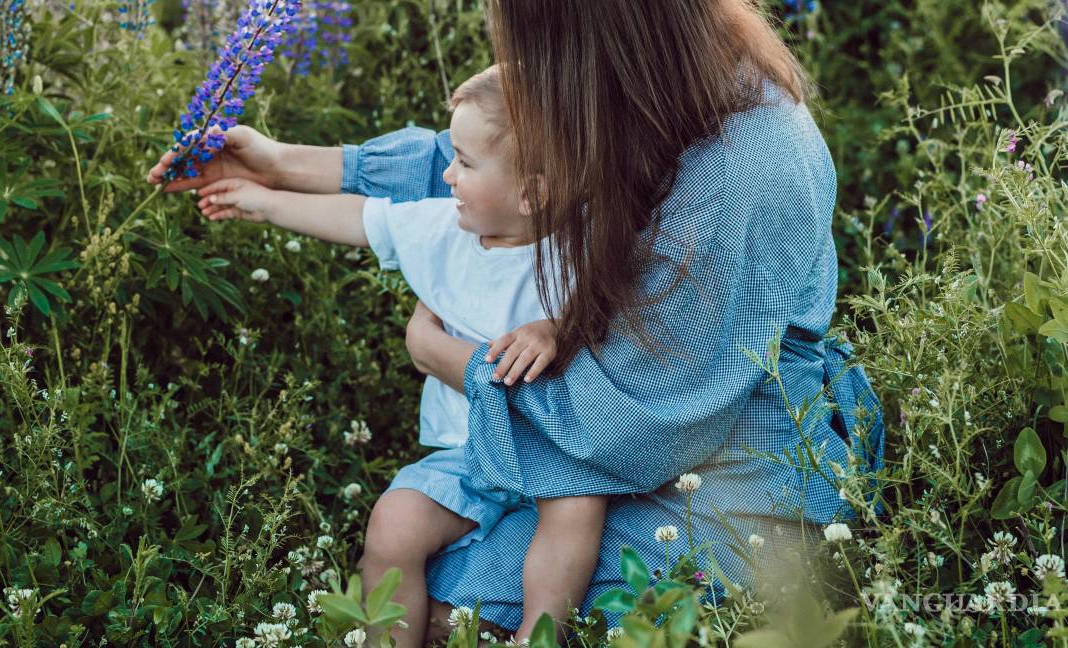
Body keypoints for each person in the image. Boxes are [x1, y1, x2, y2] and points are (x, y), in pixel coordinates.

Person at [148, 0, 885, 642]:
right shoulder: (670, 84)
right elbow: (490, 161)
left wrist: (450, 360)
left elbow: (631, 425)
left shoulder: (740, 171)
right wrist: (280, 165)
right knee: (403, 569)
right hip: (623, 420)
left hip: (720, 463)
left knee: (444, 610)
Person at [178, 66, 610, 645]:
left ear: (533, 192)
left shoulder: (585, 247)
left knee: (577, 509)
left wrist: (557, 328)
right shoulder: (442, 229)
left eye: (464, 162)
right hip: (467, 452)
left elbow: (624, 313)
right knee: (394, 522)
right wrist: (259, 199)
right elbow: (359, 218)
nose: (447, 175)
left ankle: (538, 636)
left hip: (556, 449)